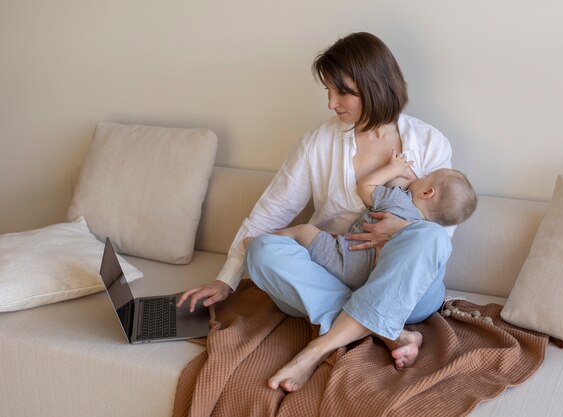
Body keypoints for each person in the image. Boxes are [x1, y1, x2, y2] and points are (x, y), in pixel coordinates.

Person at [178, 32, 457, 392]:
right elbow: (271, 211)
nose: (331, 104)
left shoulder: (431, 142)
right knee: (261, 249)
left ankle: (317, 349)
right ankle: (385, 331)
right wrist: (226, 278)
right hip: (333, 271)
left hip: (406, 289)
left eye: (342, 92)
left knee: (430, 236)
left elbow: (444, 230)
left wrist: (399, 229)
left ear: (375, 87)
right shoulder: (318, 143)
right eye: (327, 91)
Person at [245, 151, 477, 291]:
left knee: (303, 230)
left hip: (345, 258)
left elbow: (365, 187)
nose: (418, 177)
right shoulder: (423, 231)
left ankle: (262, 241)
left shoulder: (397, 202)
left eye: (425, 178)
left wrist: (393, 168)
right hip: (366, 279)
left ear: (427, 193)